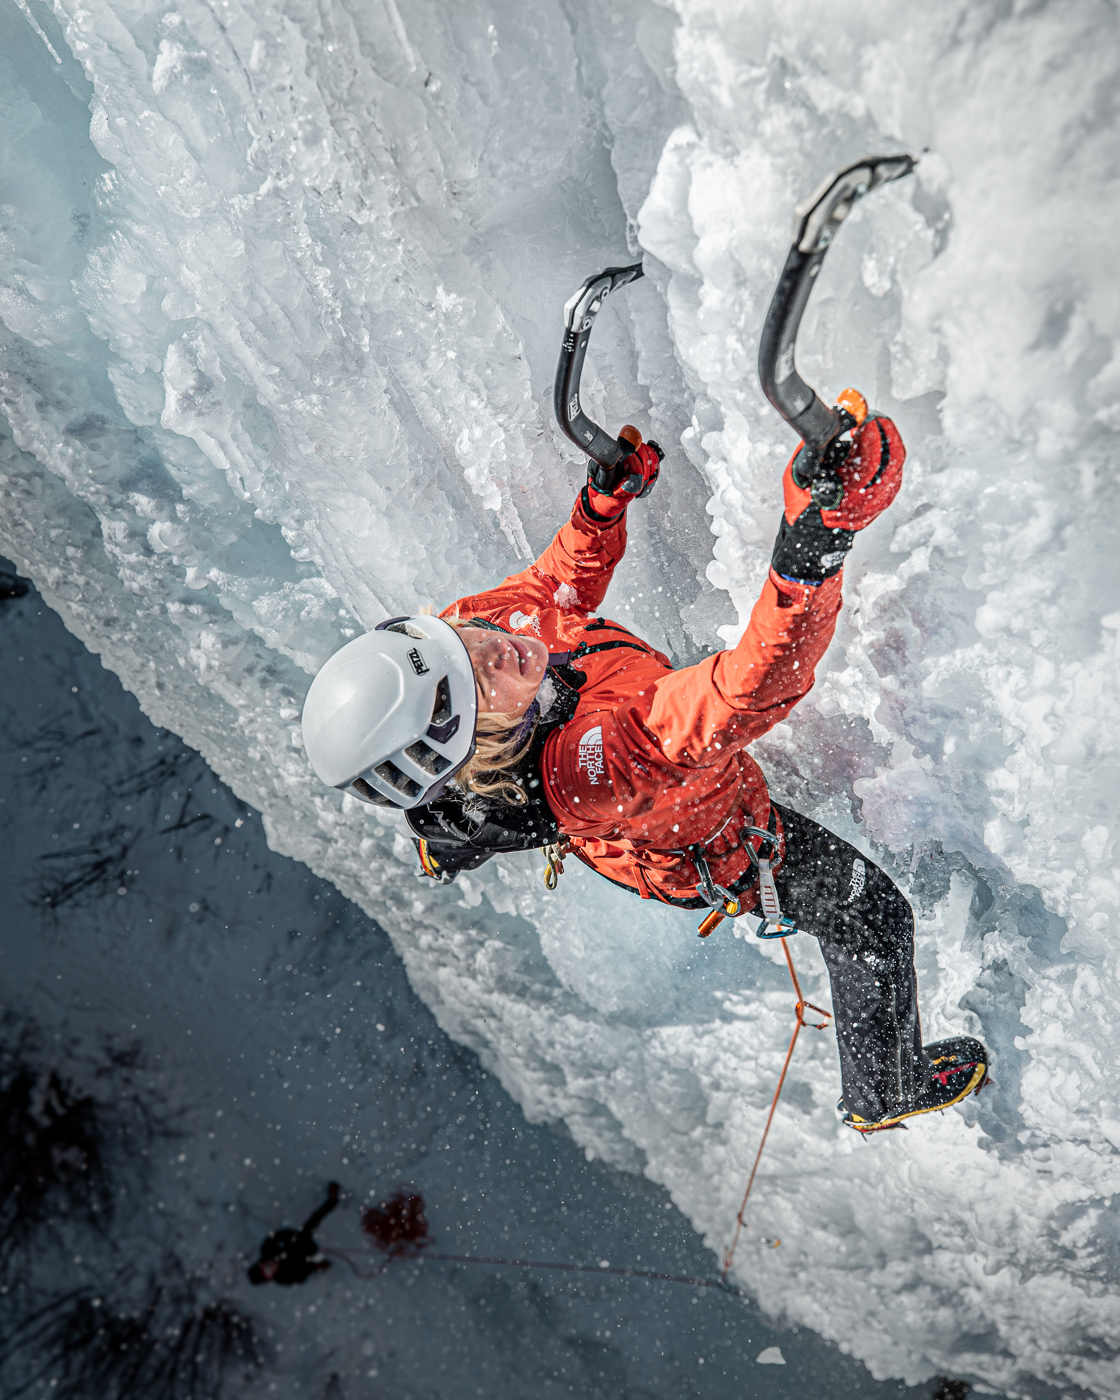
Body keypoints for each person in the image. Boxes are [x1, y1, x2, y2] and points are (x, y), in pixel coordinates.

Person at [301, 406, 988, 1134]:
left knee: (505, 667)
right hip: (716, 843)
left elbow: (553, 592)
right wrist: (812, 550)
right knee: (873, 918)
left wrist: (599, 507)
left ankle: (452, 835)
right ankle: (885, 1090)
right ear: (482, 743)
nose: (492, 646)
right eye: (479, 679)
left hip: (564, 779)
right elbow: (743, 692)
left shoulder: (467, 635)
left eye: (465, 639)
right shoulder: (591, 768)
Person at [248, 1181, 340, 1285]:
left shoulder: (267, 1249)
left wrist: (293, 1237)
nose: (271, 1268)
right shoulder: (283, 1278)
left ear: (262, 1263)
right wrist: (314, 1266)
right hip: (307, 1255)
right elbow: (301, 1276)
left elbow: (279, 1235)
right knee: (318, 1259)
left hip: (299, 1241)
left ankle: (332, 1201)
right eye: (269, 1273)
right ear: (271, 1277)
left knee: (310, 1224)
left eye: (266, 1268)